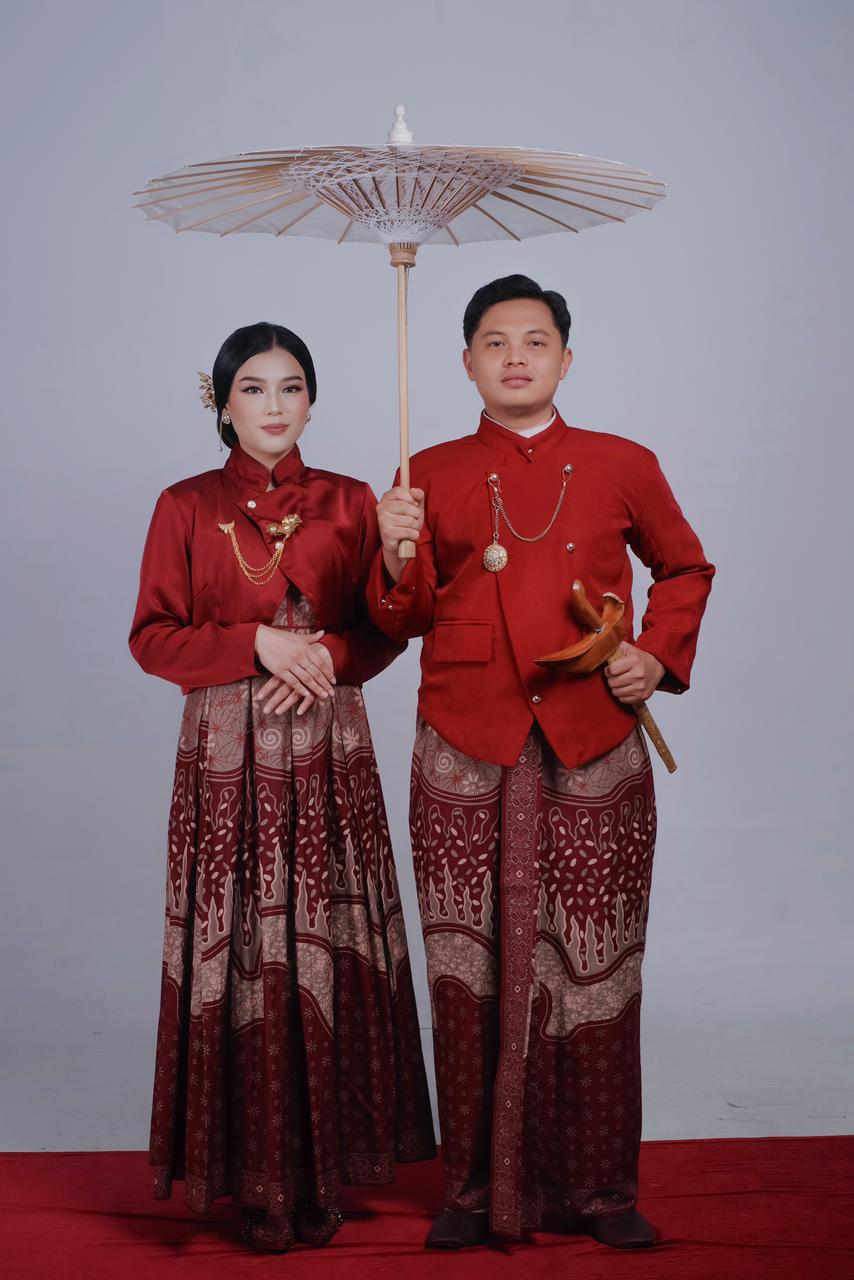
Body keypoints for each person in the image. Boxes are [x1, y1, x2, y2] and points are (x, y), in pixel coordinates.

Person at [368, 276, 714, 1250]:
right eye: (493, 341)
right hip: (462, 738)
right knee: (464, 969)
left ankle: (601, 1189)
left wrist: (657, 654)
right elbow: (397, 621)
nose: (514, 356)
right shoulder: (423, 472)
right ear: (465, 362)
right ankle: (470, 1190)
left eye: (534, 340)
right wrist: (392, 554)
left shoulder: (621, 462)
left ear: (565, 357)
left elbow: (685, 567)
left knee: (596, 967)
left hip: (591, 736)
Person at [129, 321, 435, 1253]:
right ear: (222, 405)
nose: (274, 405)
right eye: (253, 389)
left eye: (291, 387)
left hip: (329, 745)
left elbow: (391, 629)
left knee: (328, 940)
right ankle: (254, 1179)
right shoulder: (185, 504)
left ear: (311, 401)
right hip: (228, 754)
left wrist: (366, 601)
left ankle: (325, 1172)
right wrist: (254, 642)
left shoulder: (353, 500)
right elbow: (151, 638)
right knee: (246, 948)